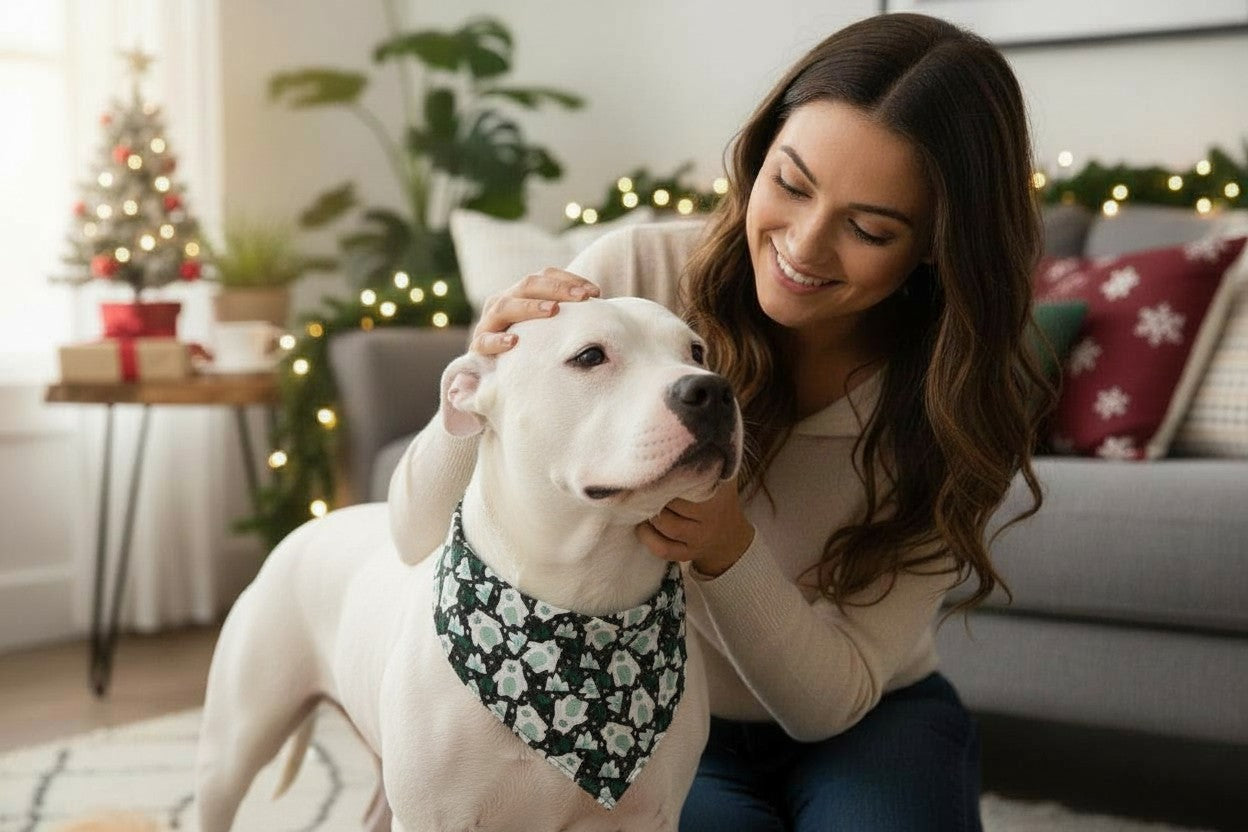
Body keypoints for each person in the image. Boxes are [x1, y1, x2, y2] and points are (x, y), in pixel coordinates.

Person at [388, 11, 1051, 831]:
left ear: (935, 247)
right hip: (642, 698)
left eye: (870, 228)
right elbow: (416, 533)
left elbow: (830, 704)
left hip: (868, 716)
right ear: (758, 153)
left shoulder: (955, 404)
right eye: (791, 184)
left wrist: (726, 547)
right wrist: (486, 367)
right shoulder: (633, 277)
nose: (805, 246)